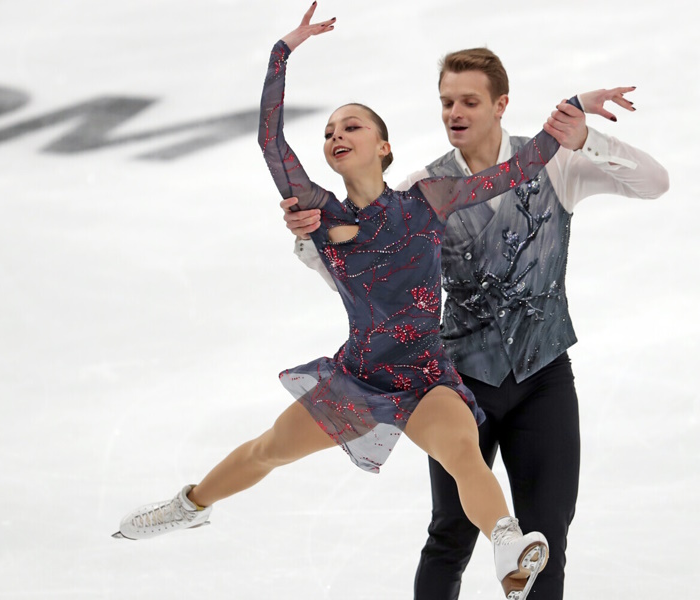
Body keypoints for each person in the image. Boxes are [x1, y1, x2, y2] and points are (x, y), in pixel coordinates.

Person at [113, 5, 587, 599]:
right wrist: (282, 52)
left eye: (352, 126)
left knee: (464, 452)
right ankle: (189, 505)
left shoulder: (428, 199)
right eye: (329, 131)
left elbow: (517, 169)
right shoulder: (318, 212)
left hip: (427, 378)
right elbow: (269, 140)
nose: (337, 135)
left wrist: (574, 110)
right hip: (359, 378)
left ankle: (509, 544)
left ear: (384, 146)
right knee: (269, 450)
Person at [281, 44, 670, 600]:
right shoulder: (422, 190)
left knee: (547, 535)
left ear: (500, 104)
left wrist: (587, 138)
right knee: (452, 533)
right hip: (460, 383)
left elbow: (655, 183)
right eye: (446, 102)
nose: (454, 113)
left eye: (468, 101)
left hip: (544, 377)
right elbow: (366, 280)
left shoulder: (553, 163)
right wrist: (309, 237)